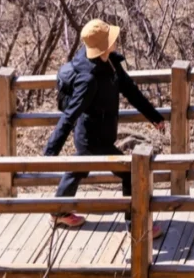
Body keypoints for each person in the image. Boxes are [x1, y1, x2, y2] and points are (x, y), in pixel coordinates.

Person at [44, 18, 166, 234]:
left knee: (77, 169)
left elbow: (131, 91)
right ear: (103, 46)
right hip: (92, 139)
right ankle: (136, 225)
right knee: (129, 174)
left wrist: (154, 117)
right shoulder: (88, 79)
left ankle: (58, 212)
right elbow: (69, 116)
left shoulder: (110, 63)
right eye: (111, 38)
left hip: (99, 134)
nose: (116, 40)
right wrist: (49, 153)